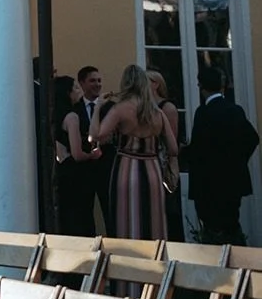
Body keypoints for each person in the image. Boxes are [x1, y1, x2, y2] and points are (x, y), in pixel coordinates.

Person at [92, 63, 178, 242]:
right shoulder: (158, 113)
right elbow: (173, 148)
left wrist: (98, 107)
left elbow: (95, 137)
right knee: (154, 223)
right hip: (153, 171)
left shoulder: (120, 109)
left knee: (127, 221)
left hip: (126, 168)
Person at [183, 64, 260, 246]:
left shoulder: (203, 113)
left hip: (208, 184)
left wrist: (182, 153)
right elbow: (252, 138)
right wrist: (238, 161)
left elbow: (198, 149)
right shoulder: (235, 110)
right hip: (232, 182)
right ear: (222, 86)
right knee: (232, 225)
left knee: (212, 230)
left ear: (202, 87)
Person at [53, 74, 101, 237]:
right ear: (67, 93)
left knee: (68, 216)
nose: (78, 91)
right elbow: (77, 153)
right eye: (75, 88)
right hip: (76, 174)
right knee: (81, 216)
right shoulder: (72, 117)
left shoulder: (56, 116)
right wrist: (92, 155)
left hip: (62, 171)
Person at [147, 68, 185, 242]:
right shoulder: (145, 107)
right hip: (150, 163)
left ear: (155, 84)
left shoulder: (167, 107)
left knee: (168, 210)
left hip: (163, 164)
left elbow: (172, 141)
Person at [74, 66, 113, 232]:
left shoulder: (111, 107)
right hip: (83, 169)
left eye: (99, 80)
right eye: (92, 81)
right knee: (84, 213)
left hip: (106, 166)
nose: (97, 84)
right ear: (82, 83)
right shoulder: (74, 108)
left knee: (110, 210)